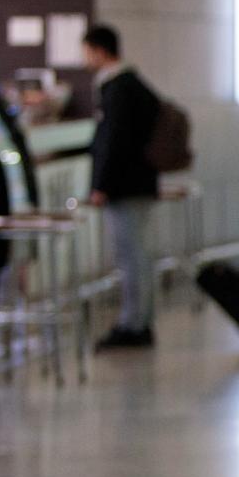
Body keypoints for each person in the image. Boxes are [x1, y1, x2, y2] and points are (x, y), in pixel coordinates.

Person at [83, 26, 161, 350]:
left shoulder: (118, 88)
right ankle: (139, 320)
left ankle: (133, 324)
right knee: (138, 255)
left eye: (86, 51)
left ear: (100, 51)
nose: (84, 58)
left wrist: (101, 184)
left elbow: (113, 142)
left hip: (126, 187)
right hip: (139, 183)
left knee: (131, 257)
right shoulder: (133, 84)